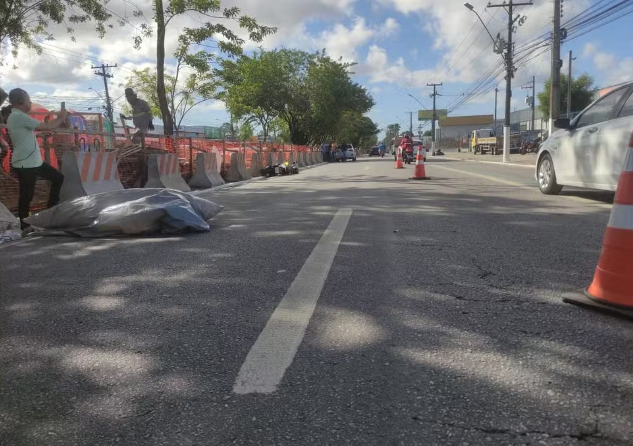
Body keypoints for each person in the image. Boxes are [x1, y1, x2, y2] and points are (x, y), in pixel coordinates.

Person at [5, 88, 68, 230]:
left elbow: (27, 134)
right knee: (27, 194)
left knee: (58, 177)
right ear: (21, 101)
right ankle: (24, 224)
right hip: (25, 163)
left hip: (34, 162)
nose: (31, 102)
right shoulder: (18, 116)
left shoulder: (18, 116)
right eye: (28, 100)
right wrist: (62, 117)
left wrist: (40, 134)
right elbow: (47, 126)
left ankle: (50, 210)